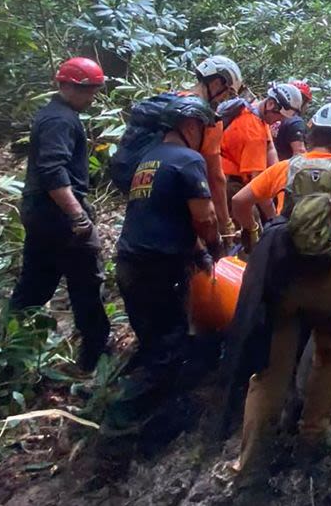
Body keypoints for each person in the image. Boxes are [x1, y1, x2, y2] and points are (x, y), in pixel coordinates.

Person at [228, 102, 331, 486]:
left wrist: (254, 235)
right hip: (328, 276)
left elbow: (239, 202)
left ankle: (250, 463)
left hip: (284, 276)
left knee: (271, 371)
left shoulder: (288, 168)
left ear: (313, 132)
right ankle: (312, 435)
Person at [103, 96, 224, 434]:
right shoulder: (188, 160)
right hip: (159, 267)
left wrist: (196, 250)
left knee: (153, 338)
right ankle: (123, 418)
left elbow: (165, 212)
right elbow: (206, 216)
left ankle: (135, 394)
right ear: (189, 127)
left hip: (130, 262)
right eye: (203, 129)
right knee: (169, 346)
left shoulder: (148, 159)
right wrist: (214, 247)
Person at [9, 57, 111, 373]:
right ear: (65, 85)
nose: (90, 97)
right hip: (58, 217)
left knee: (35, 284)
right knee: (85, 283)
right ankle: (94, 357)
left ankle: (10, 354)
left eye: (93, 90)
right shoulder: (60, 120)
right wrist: (78, 216)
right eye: (85, 90)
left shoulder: (57, 114)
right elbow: (53, 170)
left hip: (41, 214)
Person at [220, 82, 303, 249]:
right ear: (271, 104)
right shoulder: (253, 134)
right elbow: (258, 188)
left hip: (225, 178)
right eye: (278, 116)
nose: (279, 121)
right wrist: (274, 219)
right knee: (253, 237)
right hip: (231, 186)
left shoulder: (249, 111)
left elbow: (270, 147)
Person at [184, 56, 244, 238]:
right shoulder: (210, 119)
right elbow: (216, 178)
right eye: (228, 91)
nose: (226, 98)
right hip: (187, 198)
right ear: (217, 83)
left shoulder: (170, 102)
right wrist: (226, 224)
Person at [271, 80, 311, 161]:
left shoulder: (273, 117)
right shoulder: (296, 122)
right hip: (285, 169)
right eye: (307, 103)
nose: (307, 107)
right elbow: (300, 152)